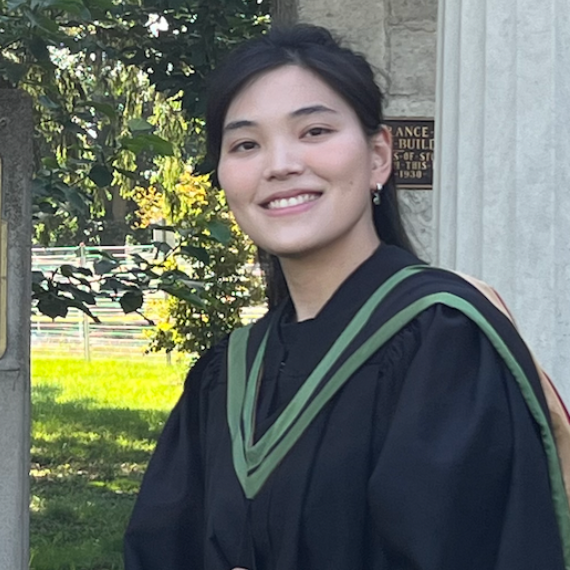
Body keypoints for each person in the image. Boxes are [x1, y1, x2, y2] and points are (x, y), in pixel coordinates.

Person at [124, 25, 570, 570]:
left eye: (314, 131)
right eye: (246, 144)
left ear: (379, 155)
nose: (279, 163)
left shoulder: (445, 343)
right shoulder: (230, 372)